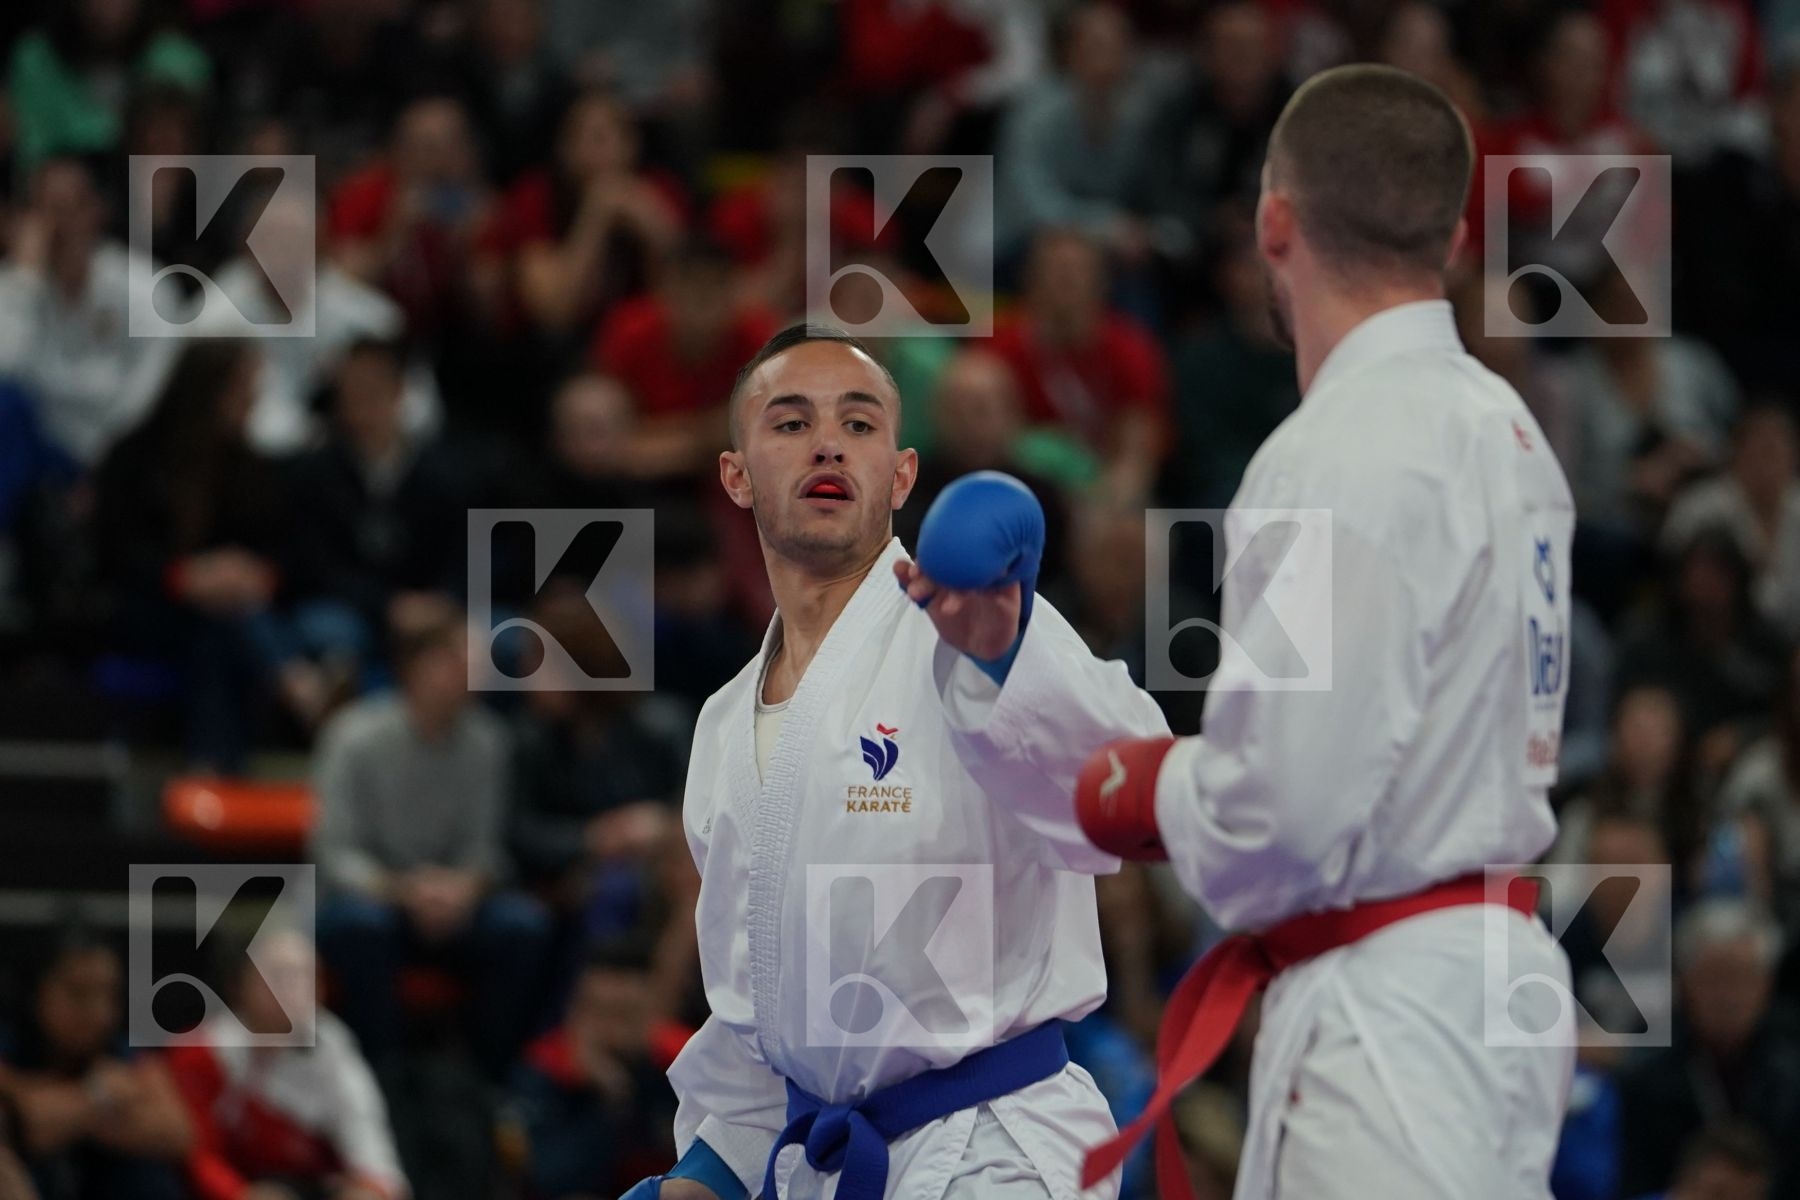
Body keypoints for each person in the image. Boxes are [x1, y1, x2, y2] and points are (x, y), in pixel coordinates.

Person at [1070, 65, 1577, 1198]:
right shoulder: (1509, 431)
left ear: (1273, 220)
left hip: (1390, 1019)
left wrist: (1148, 788)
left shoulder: (1338, 451)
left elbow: (1284, 813)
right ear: (1454, 238)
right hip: (1489, 988)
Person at [627, 323, 1169, 1200]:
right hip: (832, 1164)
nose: (828, 444)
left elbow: (1137, 787)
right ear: (736, 475)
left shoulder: (966, 632)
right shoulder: (725, 724)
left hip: (996, 1150)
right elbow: (766, 1013)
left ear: (903, 474)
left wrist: (1008, 656)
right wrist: (705, 1174)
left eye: (859, 423)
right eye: (791, 423)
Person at [310, 616, 552, 1078]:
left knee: (522, 926)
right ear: (415, 667)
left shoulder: (489, 741)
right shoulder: (353, 735)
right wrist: (402, 889)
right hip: (377, 899)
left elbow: (488, 846)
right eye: (457, 660)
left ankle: (489, 1080)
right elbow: (333, 850)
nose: (472, 673)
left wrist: (464, 887)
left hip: (456, 903)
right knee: (360, 926)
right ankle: (381, 1074)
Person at [164, 927, 409, 1200]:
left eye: (305, 977)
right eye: (276, 977)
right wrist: (238, 1194)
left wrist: (375, 1188)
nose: (291, 990)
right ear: (239, 985)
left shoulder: (334, 1049)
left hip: (317, 1184)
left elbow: (368, 1141)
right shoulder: (202, 1052)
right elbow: (194, 1151)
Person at [0, 929, 191, 1200]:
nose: (100, 1013)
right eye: (79, 994)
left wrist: (67, 1114)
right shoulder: (9, 1048)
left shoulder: (124, 1050)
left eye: (108, 995)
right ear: (35, 992)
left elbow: (178, 1132)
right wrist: (98, 1095)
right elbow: (30, 1124)